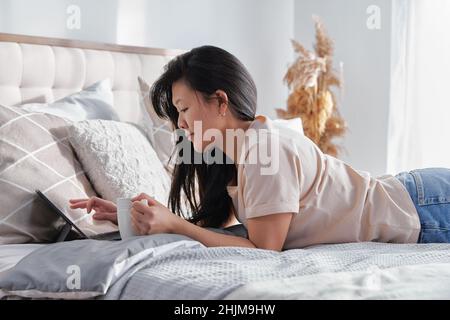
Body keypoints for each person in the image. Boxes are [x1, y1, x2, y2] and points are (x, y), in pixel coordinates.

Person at [69, 46, 450, 251]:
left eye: (183, 109)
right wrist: (140, 219)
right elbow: (223, 232)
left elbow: (265, 247)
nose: (180, 125)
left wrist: (174, 224)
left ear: (220, 101)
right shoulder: (232, 157)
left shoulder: (265, 149)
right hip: (415, 202)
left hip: (422, 207)